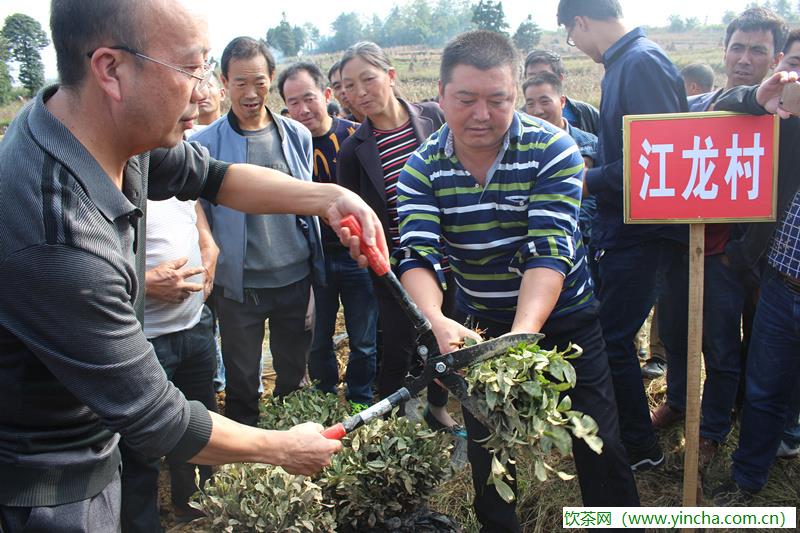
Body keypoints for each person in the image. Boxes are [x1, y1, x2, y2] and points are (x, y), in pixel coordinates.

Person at [0, 1, 387, 529]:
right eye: (191, 68)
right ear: (111, 70)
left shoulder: (98, 127)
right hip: (52, 482)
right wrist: (283, 448)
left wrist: (329, 198)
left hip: (94, 439)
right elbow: (158, 418)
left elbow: (216, 177)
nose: (205, 91)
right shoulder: (60, 235)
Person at [396, 30, 639, 532]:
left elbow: (548, 250)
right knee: (488, 442)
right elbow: (418, 254)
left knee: (597, 436)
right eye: (466, 100)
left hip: (565, 318)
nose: (481, 114)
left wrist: (523, 337)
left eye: (498, 100)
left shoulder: (553, 149)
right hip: (479, 323)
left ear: (515, 94)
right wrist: (437, 319)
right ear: (440, 96)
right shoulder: (422, 168)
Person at [651, 7, 787, 468]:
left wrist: (738, 255)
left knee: (723, 348)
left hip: (729, 259)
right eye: (738, 47)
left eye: (758, 50)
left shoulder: (782, 120)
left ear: (776, 59)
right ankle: (678, 402)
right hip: (680, 250)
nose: (745, 58)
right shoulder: (694, 108)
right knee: (673, 334)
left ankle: (710, 431)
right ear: (724, 51)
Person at [557, 0, 689, 471]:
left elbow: (659, 159)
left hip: (644, 231)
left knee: (612, 337)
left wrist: (590, 180)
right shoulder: (624, 63)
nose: (578, 47)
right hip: (627, 226)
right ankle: (635, 437)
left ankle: (640, 448)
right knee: (613, 335)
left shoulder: (640, 63)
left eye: (573, 38)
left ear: (581, 21)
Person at [192, 37, 324, 426]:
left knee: (293, 374)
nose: (251, 94)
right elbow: (199, 210)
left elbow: (304, 200)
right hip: (239, 287)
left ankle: (290, 450)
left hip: (294, 280)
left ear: (271, 79)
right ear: (223, 81)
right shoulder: (204, 144)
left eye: (260, 83)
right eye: (240, 83)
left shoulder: (296, 135)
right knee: (242, 379)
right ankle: (245, 462)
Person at [337, 41, 462, 434]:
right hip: (396, 267)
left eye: (367, 79)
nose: (359, 93)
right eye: (349, 86)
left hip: (452, 253)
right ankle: (389, 430)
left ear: (390, 76)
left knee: (451, 341)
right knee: (398, 346)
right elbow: (349, 215)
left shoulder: (435, 118)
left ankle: (438, 407)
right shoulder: (353, 151)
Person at [710, 69, 800, 504]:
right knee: (764, 389)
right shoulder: (788, 121)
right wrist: (755, 97)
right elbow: (716, 113)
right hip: (782, 287)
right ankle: (745, 481)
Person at [277, 61, 379, 412]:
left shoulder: (355, 137)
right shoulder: (287, 148)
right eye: (292, 102)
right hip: (313, 258)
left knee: (364, 339)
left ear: (326, 94)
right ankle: (322, 399)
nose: (302, 110)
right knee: (318, 340)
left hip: (357, 255)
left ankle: (360, 401)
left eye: (308, 98)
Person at [121, 197, 220, 531]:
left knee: (201, 422)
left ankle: (192, 503)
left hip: (195, 324)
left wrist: (206, 238)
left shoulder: (171, 162)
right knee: (142, 445)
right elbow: (88, 266)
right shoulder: (116, 172)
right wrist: (145, 283)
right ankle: (142, 523)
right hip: (146, 339)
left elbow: (192, 206)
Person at [522, 71, 599, 286]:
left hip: (584, 244)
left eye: (545, 101)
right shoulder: (518, 152)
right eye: (530, 104)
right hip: (535, 249)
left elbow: (594, 199)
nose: (537, 110)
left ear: (562, 101)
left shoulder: (589, 144)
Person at [522, 49, 599, 135]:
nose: (538, 81)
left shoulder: (586, 113)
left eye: (544, 75)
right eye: (532, 76)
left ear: (560, 78)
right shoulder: (517, 120)